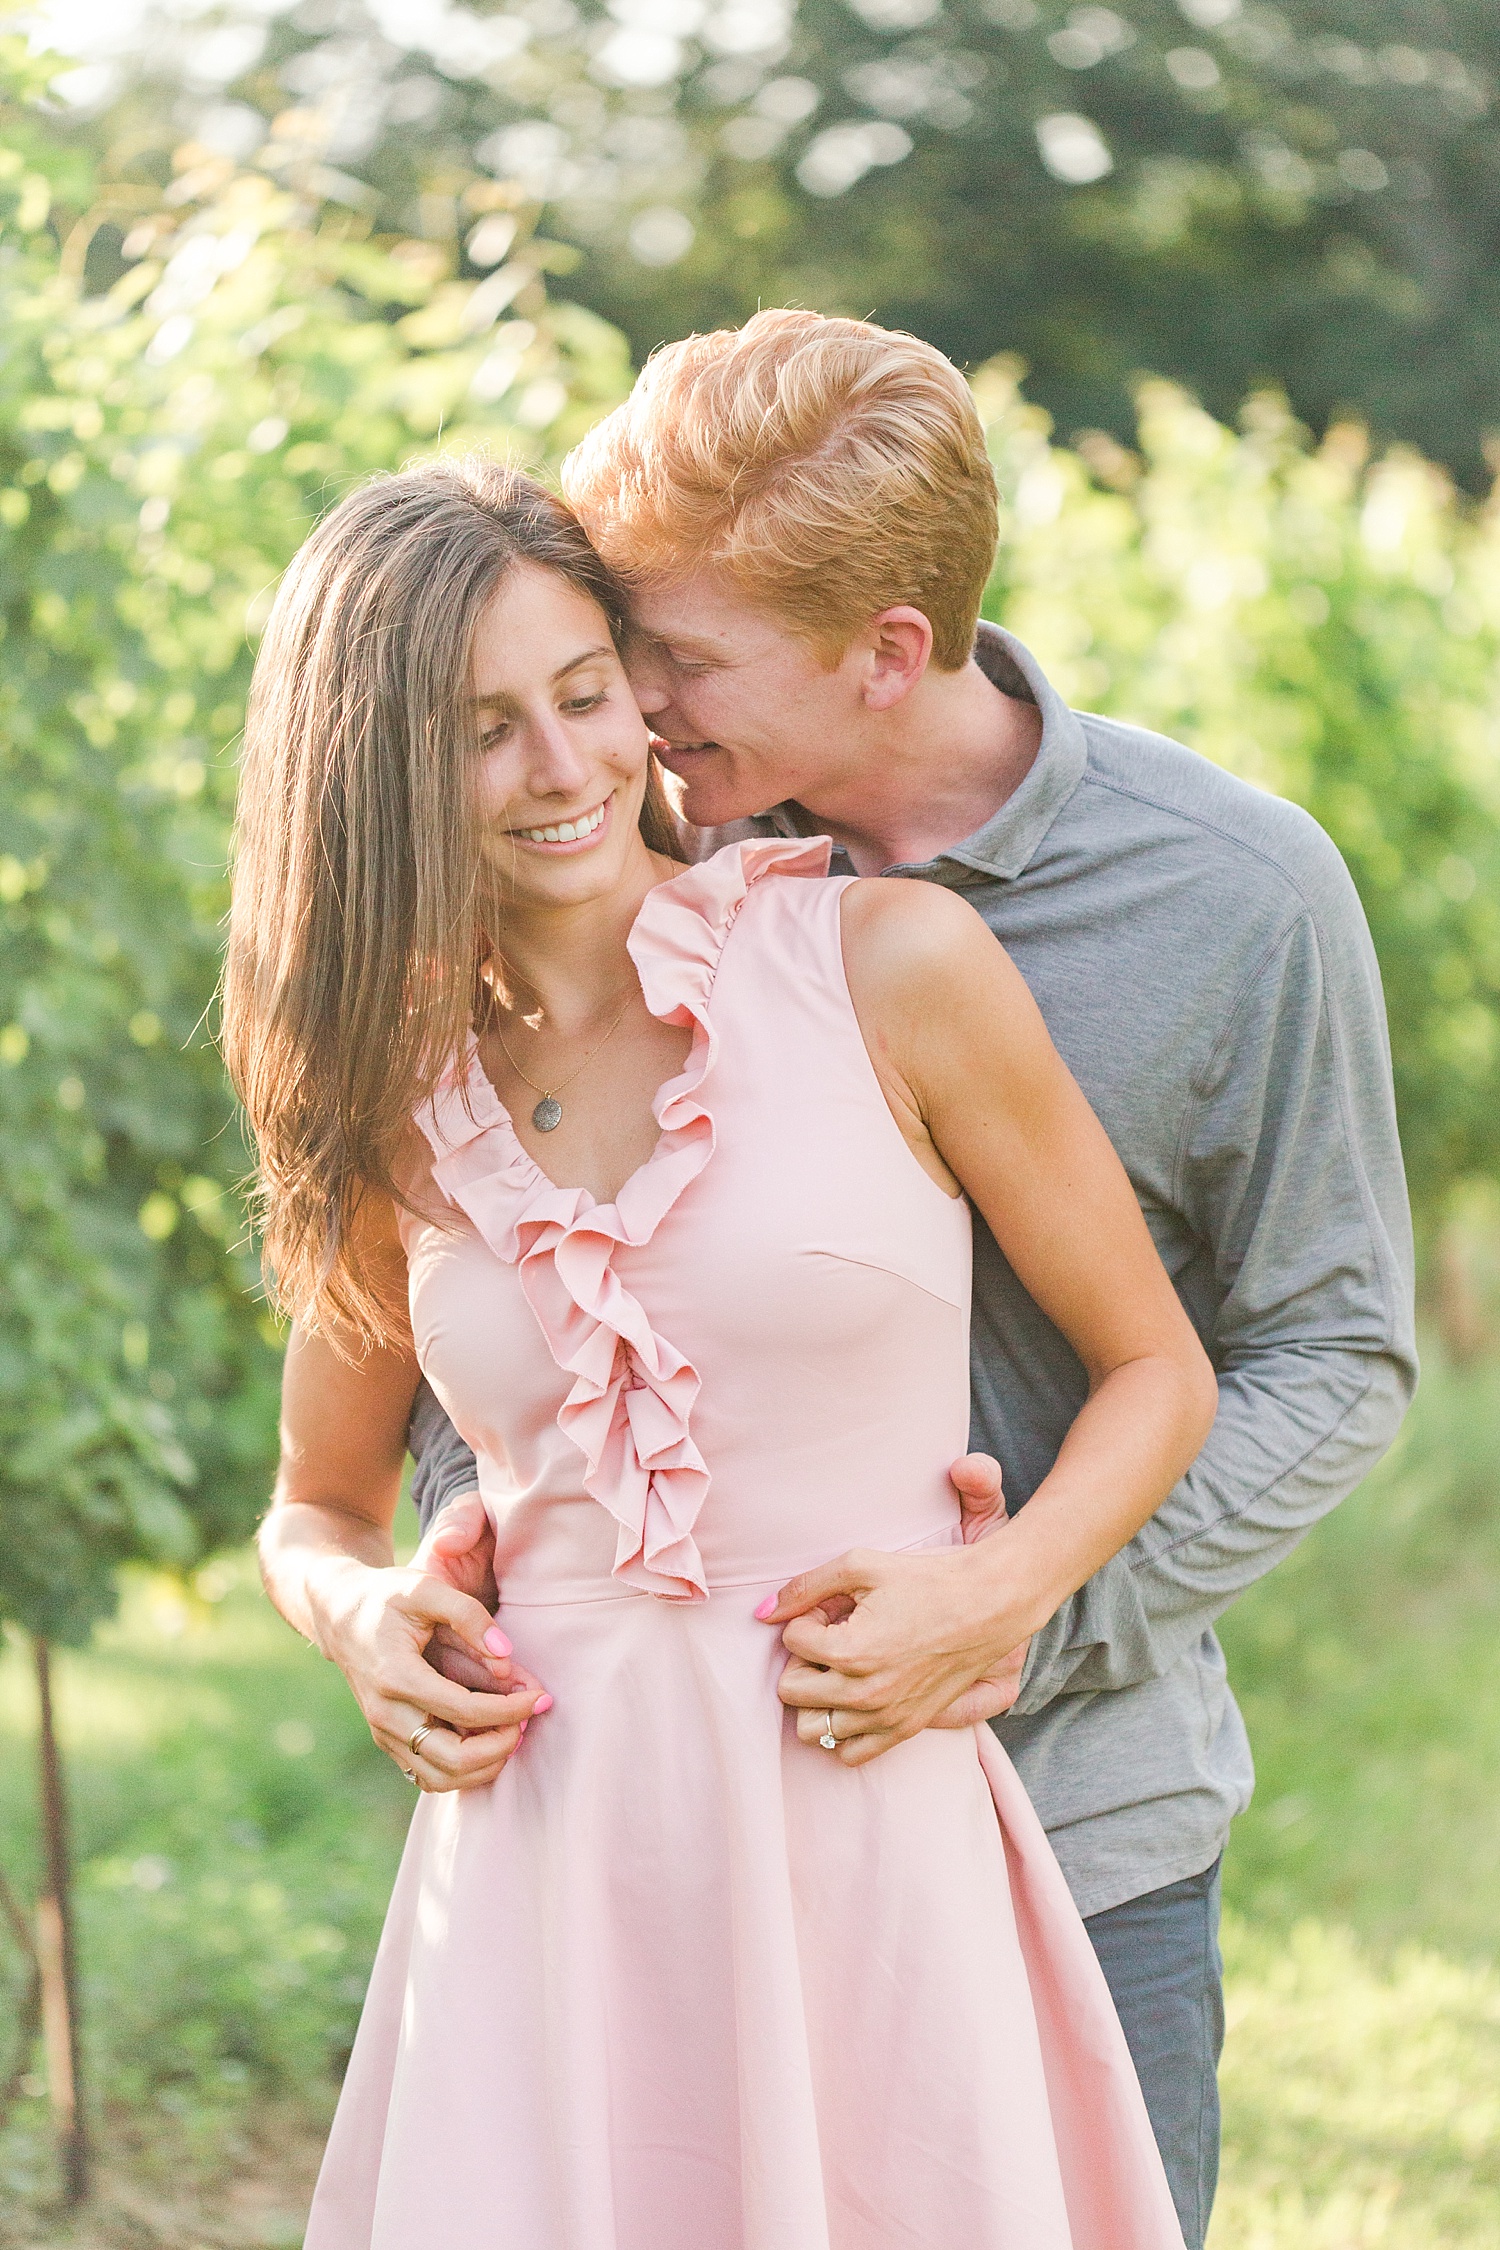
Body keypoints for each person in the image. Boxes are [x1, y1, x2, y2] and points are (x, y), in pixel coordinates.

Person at [408, 311, 1418, 2250]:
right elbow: (506, 1264)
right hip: (674, 1858)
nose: (633, 707)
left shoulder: (1234, 900)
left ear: (886, 655)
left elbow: (1335, 1346)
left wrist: (1020, 1597)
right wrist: (478, 1560)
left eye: (673, 664)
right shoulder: (617, 858)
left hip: (1080, 1813)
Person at [233, 455, 1217, 2248]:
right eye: (482, 729)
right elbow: (311, 1500)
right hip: (544, 1868)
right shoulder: (389, 1096)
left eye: (587, 695)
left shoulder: (890, 963)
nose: (565, 768)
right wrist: (359, 1615)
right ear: (375, 773)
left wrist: (997, 1590)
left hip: (862, 1816)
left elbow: (1159, 1368)